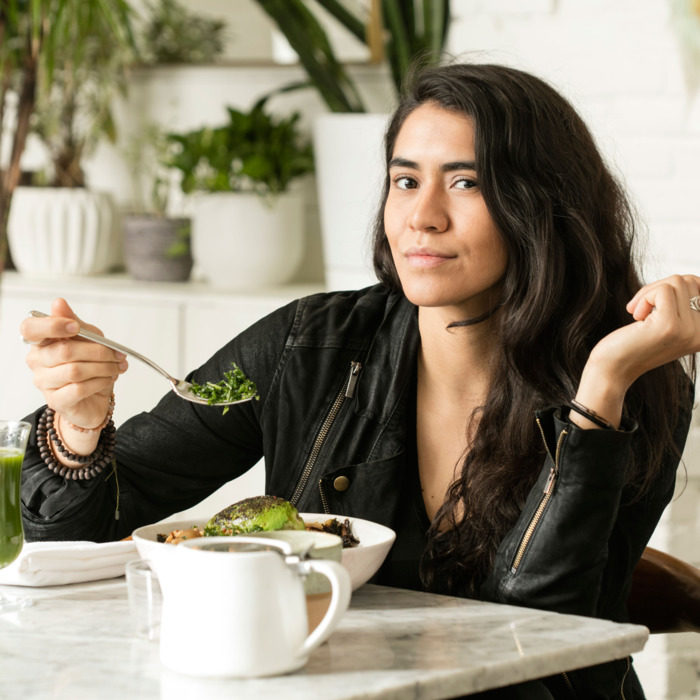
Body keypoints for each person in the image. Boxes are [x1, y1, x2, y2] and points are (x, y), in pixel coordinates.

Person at [19, 63, 699, 698]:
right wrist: (79, 430)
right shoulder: (307, 347)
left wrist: (601, 388)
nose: (422, 216)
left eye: (466, 183)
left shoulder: (633, 373)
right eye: (406, 180)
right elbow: (80, 533)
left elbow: (537, 636)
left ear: (541, 205)